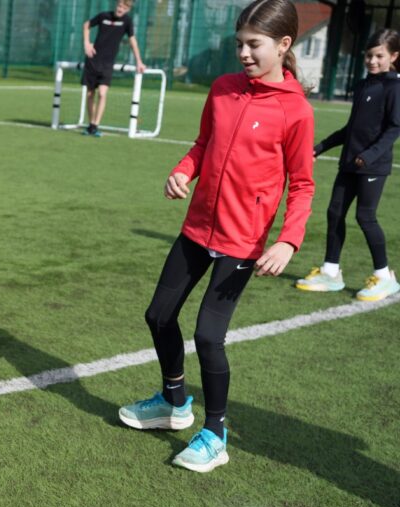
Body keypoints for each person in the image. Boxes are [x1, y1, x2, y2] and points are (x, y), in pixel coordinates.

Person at [118, 0, 314, 473]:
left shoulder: (296, 111)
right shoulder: (223, 88)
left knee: (208, 336)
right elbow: (203, 144)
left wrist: (287, 240)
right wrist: (183, 170)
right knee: (158, 315)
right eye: (239, 44)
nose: (244, 53)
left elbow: (303, 184)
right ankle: (173, 401)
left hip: (242, 240)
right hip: (197, 226)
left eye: (254, 44)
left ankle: (215, 433)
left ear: (283, 45)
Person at [296, 29, 400, 302]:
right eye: (369, 55)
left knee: (365, 217)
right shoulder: (364, 85)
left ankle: (385, 277)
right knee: (334, 213)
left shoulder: (394, 88)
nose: (373, 61)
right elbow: (350, 129)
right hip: (349, 164)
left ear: (393, 56)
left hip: (372, 167)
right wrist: (320, 147)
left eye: (379, 56)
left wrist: (370, 155)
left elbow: (394, 128)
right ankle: (331, 272)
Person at [81, 0, 145, 137]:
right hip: (93, 61)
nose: (120, 9)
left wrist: (139, 61)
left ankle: (96, 125)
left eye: (124, 7)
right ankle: (91, 125)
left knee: (102, 94)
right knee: (90, 94)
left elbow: (132, 40)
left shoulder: (127, 21)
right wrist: (87, 44)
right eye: (119, 6)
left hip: (107, 64)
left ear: (128, 10)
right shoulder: (103, 16)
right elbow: (86, 25)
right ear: (116, 5)